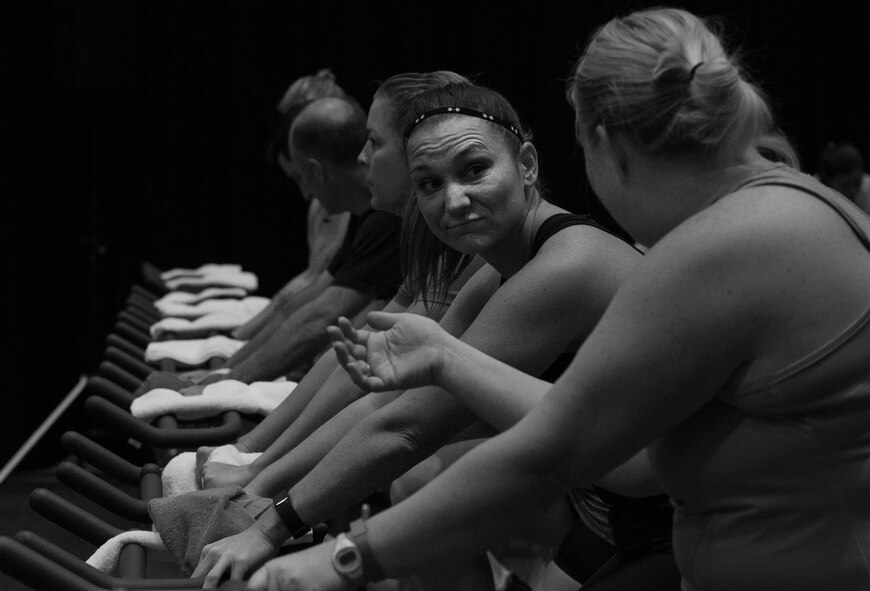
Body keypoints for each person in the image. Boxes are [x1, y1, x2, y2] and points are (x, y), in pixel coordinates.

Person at [252, 6, 870, 591]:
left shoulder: (719, 246)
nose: (453, 201)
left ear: (599, 143)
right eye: (431, 184)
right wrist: (445, 361)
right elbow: (612, 449)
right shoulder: (783, 203)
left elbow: (554, 449)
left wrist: (336, 554)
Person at [192, 82, 664, 589]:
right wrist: (257, 479)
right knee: (416, 485)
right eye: (430, 184)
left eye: (475, 170)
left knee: (418, 481)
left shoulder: (566, 265)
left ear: (526, 164)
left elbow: (410, 426)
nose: (454, 200)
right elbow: (387, 403)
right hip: (607, 505)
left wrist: (269, 523)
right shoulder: (493, 264)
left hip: (675, 513)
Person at [196, 71, 480, 490]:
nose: (362, 156)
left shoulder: (463, 251)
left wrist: (259, 473)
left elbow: (387, 399)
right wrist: (251, 452)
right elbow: (355, 353)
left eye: (374, 141)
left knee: (408, 482)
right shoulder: (432, 247)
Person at [222, 96, 403, 382]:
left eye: (374, 142)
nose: (306, 194)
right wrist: (226, 366)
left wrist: (222, 381)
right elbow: (307, 301)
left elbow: (321, 316)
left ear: (317, 170)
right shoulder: (366, 213)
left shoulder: (388, 216)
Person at [235, 69, 353, 343]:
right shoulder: (322, 202)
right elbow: (303, 289)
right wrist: (240, 341)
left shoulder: (353, 202)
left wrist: (242, 346)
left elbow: (321, 297)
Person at [816, 141, 870, 215]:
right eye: (846, 186)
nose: (853, 191)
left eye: (857, 183)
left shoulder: (867, 188)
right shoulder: (813, 194)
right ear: (827, 183)